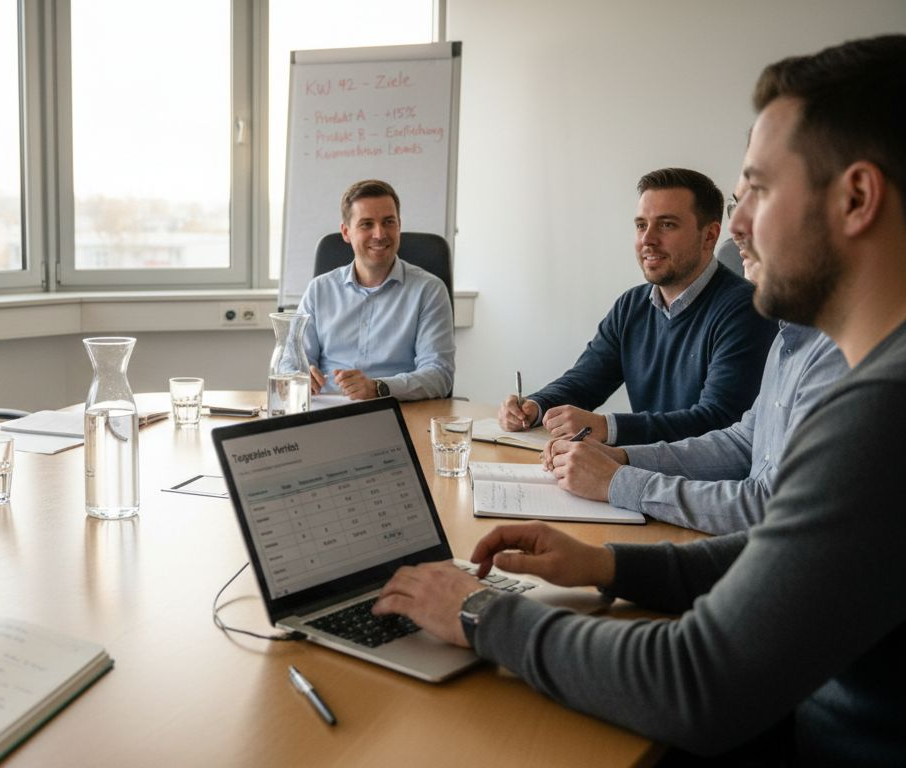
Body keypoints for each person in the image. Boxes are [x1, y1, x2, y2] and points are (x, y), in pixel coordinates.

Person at [374, 35, 906, 762]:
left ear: (856, 199)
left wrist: (477, 612)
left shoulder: (883, 408)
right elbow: (776, 546)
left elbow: (695, 681)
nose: (738, 226)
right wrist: (609, 566)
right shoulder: (810, 347)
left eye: (759, 188)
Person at [541, 176, 848, 534]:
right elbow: (742, 442)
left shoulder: (819, 343)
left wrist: (619, 479)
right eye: (641, 225)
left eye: (760, 197)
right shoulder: (789, 336)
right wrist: (621, 456)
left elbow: (770, 506)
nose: (737, 227)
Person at [498, 168, 778, 445]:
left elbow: (717, 421)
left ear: (709, 236)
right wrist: (535, 406)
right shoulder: (631, 306)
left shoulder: (746, 308)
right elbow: (584, 382)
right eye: (641, 225)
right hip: (644, 469)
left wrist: (608, 427)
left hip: (702, 482)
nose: (648, 239)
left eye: (667, 225)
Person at [299, 179, 454, 401]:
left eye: (388, 222)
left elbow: (439, 375)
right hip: (326, 411)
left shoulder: (429, 290)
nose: (380, 234)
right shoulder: (319, 290)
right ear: (346, 232)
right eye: (366, 224)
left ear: (399, 225)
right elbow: (292, 360)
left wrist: (378, 388)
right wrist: (299, 374)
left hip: (399, 413)